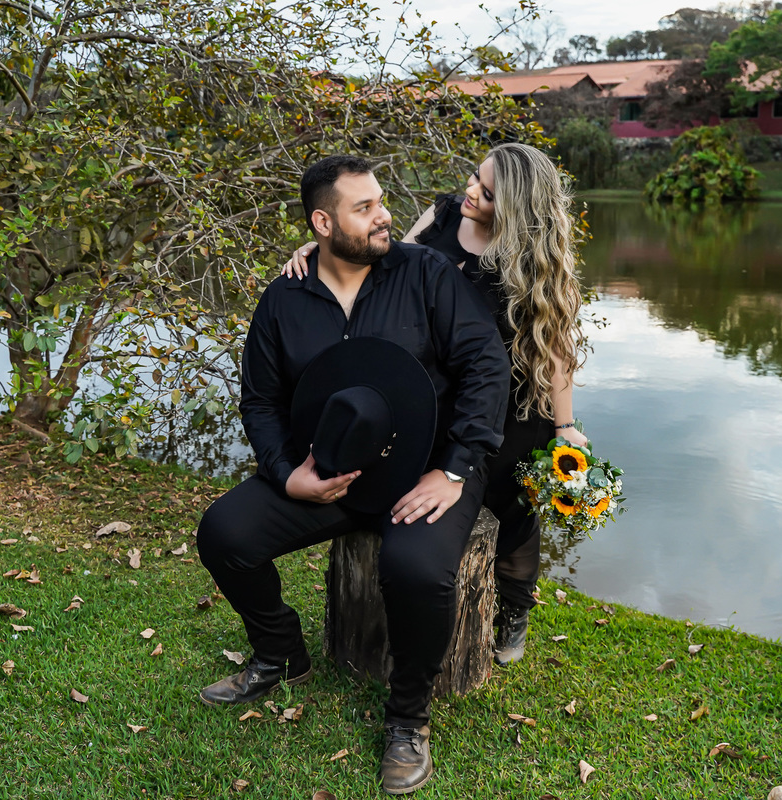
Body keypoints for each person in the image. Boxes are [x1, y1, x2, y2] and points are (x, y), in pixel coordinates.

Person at [197, 154, 511, 796]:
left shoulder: (426, 273)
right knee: (224, 532)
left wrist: (454, 471)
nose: (383, 214)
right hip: (328, 475)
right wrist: (288, 476)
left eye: (381, 201)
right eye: (363, 207)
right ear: (322, 222)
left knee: (417, 570)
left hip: (429, 471)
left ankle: (407, 716)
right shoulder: (285, 297)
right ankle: (281, 653)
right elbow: (258, 400)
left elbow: (487, 367)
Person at [284, 143, 586, 666]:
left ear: (515, 208)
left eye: (486, 192)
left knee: (512, 512)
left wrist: (565, 427)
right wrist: (325, 251)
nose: (469, 191)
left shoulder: (535, 261)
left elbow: (555, 349)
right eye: (474, 177)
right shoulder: (443, 215)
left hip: (510, 404)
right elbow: (384, 267)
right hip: (433, 392)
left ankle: (513, 608)